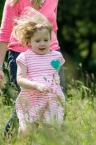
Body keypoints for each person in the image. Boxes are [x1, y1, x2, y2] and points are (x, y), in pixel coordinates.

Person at [0, 0, 64, 135]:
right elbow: (4, 33)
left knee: (54, 100)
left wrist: (55, 52)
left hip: (51, 56)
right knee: (28, 103)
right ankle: (9, 138)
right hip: (21, 56)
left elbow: (53, 27)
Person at [12, 7, 65, 139]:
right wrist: (37, 85)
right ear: (29, 41)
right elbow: (20, 80)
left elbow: (54, 76)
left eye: (46, 40)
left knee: (50, 130)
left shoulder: (56, 57)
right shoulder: (24, 57)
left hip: (51, 98)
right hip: (31, 97)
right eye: (37, 41)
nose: (42, 44)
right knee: (26, 130)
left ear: (50, 39)